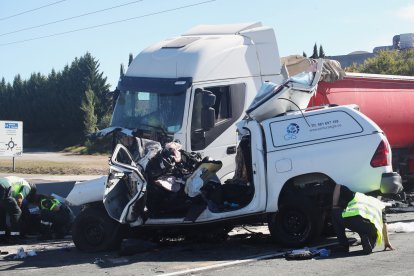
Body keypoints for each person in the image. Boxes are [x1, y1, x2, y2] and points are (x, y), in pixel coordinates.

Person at [331, 183, 394, 254]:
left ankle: (344, 245)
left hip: (356, 221)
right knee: (370, 236)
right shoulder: (380, 204)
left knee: (335, 213)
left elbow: (338, 185)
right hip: (372, 229)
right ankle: (367, 240)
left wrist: (335, 205)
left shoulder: (358, 196)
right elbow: (384, 224)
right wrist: (387, 242)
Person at [0, 177, 23, 243]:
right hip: (3, 188)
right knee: (16, 212)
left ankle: (1, 236)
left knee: (1, 212)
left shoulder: (8, 179)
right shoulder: (24, 184)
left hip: (3, 187)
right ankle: (14, 237)